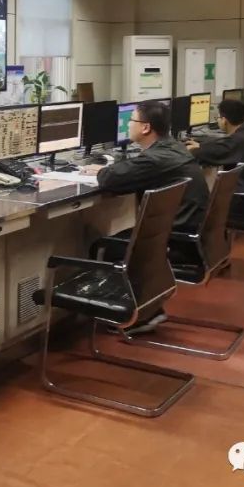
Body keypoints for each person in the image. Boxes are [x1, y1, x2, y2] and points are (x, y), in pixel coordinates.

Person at [86, 101, 210, 333]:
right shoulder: (174, 149)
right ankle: (149, 308)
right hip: (191, 236)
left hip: (178, 243)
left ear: (145, 128)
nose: (127, 125)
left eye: (130, 120)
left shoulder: (155, 159)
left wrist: (102, 170)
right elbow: (134, 169)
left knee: (104, 247)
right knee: (124, 240)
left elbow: (111, 179)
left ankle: (131, 315)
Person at [186, 98, 244, 221]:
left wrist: (193, 150)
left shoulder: (240, 140)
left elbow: (217, 153)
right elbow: (224, 146)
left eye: (218, 118)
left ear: (224, 120)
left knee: (196, 206)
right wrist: (201, 146)